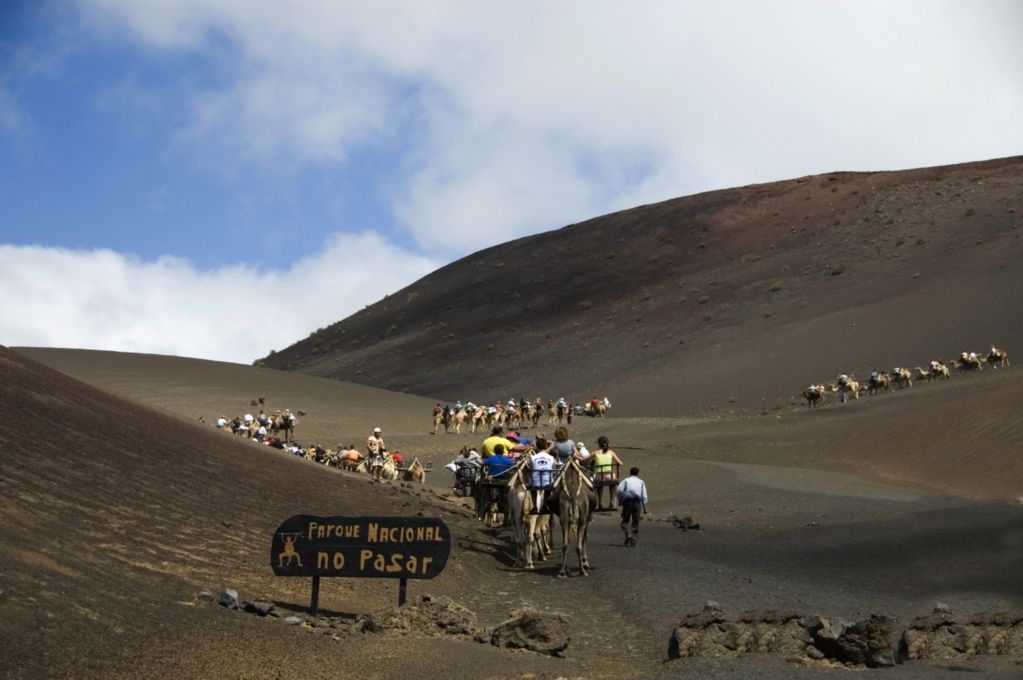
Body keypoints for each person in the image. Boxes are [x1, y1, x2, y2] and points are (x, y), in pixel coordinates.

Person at [617, 467, 648, 546]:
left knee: (625, 522)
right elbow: (644, 495)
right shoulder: (641, 482)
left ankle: (628, 534)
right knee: (635, 522)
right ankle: (633, 539)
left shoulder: (626, 480)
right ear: (637, 473)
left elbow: (619, 490)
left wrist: (621, 499)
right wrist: (645, 507)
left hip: (628, 502)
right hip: (637, 503)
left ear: (630, 472)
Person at [592, 436, 624, 509]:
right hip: (610, 477)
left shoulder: (595, 453)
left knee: (599, 485)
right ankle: (611, 501)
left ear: (599, 444)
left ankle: (600, 502)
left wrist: (577, 457)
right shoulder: (611, 452)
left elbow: (584, 459)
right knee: (612, 483)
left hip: (599, 477)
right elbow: (621, 463)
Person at [529, 444, 556, 514]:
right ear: (546, 447)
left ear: (537, 447)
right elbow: (553, 469)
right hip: (548, 482)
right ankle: (544, 506)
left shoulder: (533, 457)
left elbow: (531, 468)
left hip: (535, 483)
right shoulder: (551, 457)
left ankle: (535, 507)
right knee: (548, 489)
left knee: (532, 490)